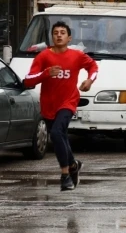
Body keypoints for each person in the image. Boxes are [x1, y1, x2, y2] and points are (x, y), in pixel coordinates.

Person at [24, 21, 98, 191]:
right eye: (56, 32)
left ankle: (65, 176)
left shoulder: (76, 56)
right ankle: (73, 165)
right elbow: (28, 80)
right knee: (60, 136)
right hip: (49, 104)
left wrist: (89, 80)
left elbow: (93, 67)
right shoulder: (43, 56)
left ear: (69, 37)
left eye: (62, 32)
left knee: (57, 133)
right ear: (52, 36)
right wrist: (45, 74)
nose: (58, 35)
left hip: (69, 101)